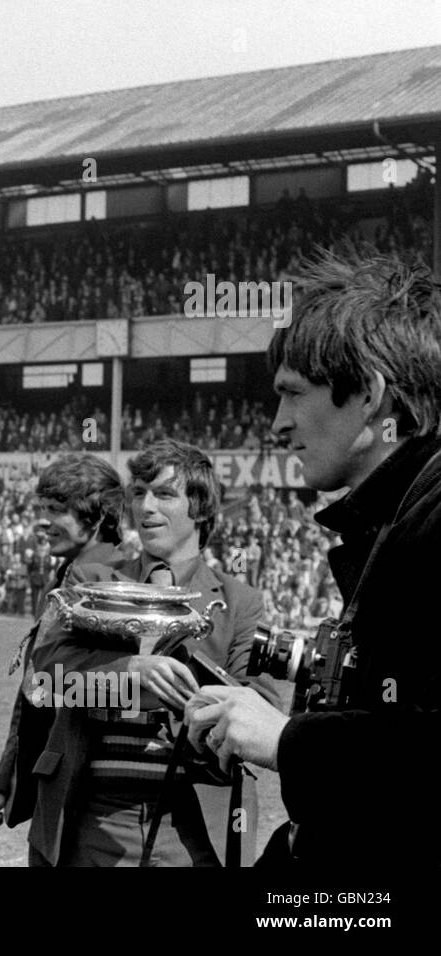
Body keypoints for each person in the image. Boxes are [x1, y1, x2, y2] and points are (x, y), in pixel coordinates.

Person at [187, 248, 441, 866]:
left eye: (293, 394)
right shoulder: (396, 517)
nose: (277, 423)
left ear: (371, 395)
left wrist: (289, 741)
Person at [30, 439, 278, 866]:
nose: (145, 507)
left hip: (194, 822)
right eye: (139, 493)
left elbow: (263, 712)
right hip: (93, 816)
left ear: (199, 509)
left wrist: (195, 704)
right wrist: (130, 675)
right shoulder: (91, 579)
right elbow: (46, 680)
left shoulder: (241, 602)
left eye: (164, 494)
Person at [0, 453, 124, 842]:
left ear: (98, 516)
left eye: (57, 510)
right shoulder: (67, 578)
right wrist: (4, 779)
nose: (44, 520)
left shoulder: (113, 582)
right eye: (43, 508)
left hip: (89, 797)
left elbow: (77, 689)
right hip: (57, 781)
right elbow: (34, 693)